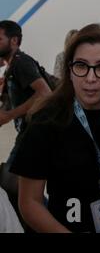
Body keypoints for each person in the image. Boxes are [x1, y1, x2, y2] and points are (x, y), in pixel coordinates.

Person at [9, 24, 100, 233]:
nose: (90, 78)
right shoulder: (46, 120)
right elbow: (30, 202)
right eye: (81, 65)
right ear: (69, 70)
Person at [0, 20, 52, 164]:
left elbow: (45, 93)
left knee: (10, 178)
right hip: (28, 131)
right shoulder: (12, 66)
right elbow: (11, 100)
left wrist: (9, 115)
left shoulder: (21, 62)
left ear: (14, 40)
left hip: (35, 131)